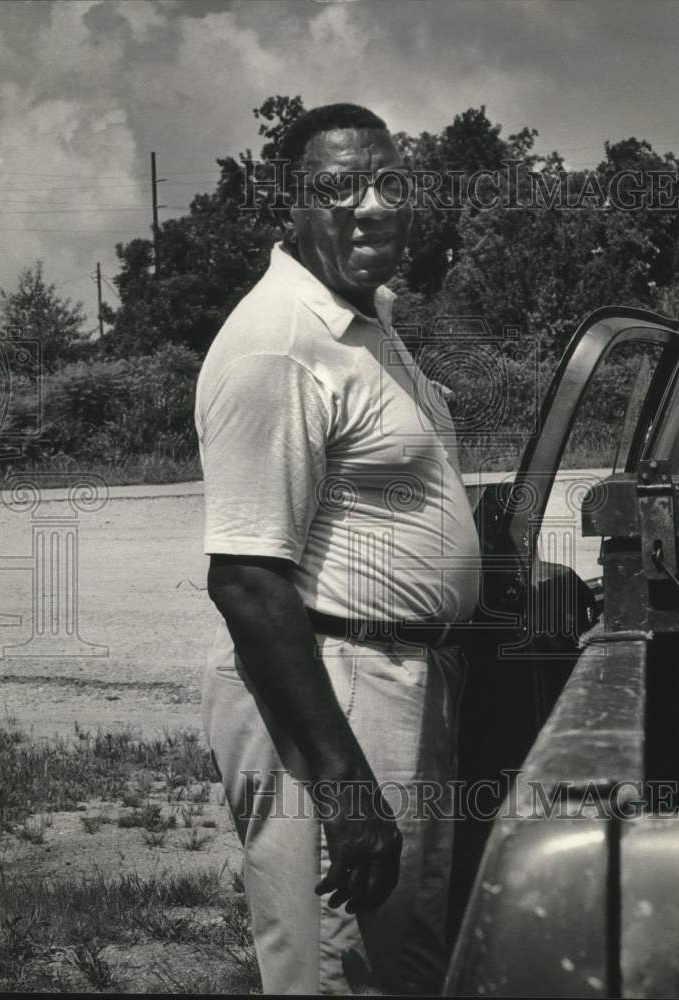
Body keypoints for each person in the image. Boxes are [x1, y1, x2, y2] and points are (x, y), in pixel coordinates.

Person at [195, 103, 480, 995]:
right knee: (336, 969)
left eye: (390, 182)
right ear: (292, 202)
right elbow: (246, 579)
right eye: (339, 187)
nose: (372, 206)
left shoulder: (367, 321)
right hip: (335, 688)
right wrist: (347, 789)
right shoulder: (278, 345)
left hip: (395, 679)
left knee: (398, 963)